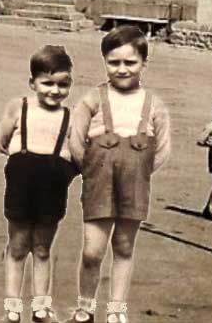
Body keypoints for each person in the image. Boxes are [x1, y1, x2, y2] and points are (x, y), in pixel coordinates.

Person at [67, 26, 172, 323]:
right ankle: (85, 308)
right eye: (114, 63)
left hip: (135, 183)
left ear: (143, 64)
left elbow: (162, 148)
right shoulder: (93, 98)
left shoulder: (154, 104)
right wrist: (89, 168)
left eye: (130, 62)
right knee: (92, 250)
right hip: (98, 181)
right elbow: (76, 140)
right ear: (105, 62)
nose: (122, 69)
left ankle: (116, 310)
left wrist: (139, 171)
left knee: (124, 247)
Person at [0, 45, 77, 323]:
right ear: (32, 83)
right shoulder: (20, 107)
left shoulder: (70, 117)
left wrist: (62, 170)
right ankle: (12, 308)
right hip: (22, 184)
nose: (54, 90)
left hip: (52, 187)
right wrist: (22, 162)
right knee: (17, 246)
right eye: (47, 83)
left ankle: (41, 307)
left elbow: (78, 157)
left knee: (42, 249)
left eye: (62, 84)